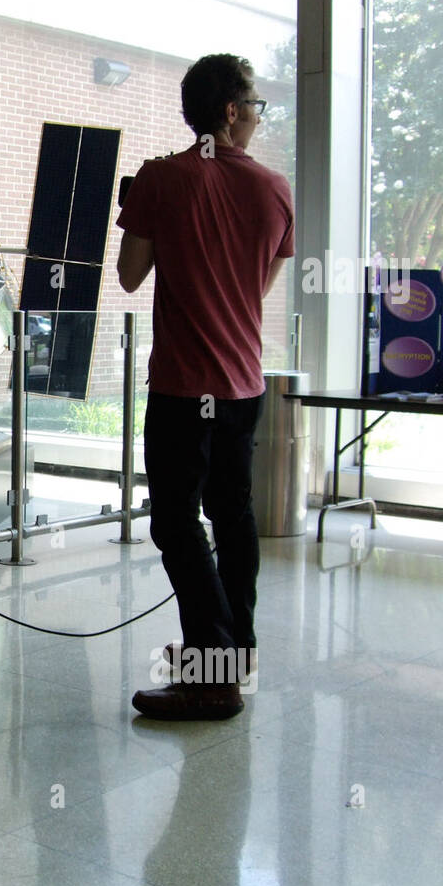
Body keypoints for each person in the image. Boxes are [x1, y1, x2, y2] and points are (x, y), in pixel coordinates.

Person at [115, 54, 294, 721]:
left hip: (183, 388)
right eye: (255, 105)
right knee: (233, 514)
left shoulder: (162, 178)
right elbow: (257, 288)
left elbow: (131, 276)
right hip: (244, 387)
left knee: (174, 522)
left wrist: (148, 211)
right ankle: (235, 649)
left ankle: (210, 668)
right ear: (229, 111)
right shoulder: (276, 188)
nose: (257, 116)